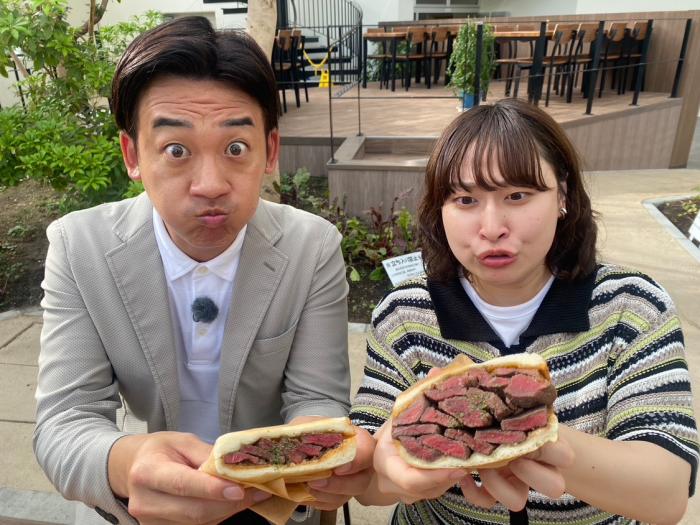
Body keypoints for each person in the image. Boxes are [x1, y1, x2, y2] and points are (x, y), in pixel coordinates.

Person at [33, 16, 373, 525]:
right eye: (176, 150)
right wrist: (127, 465)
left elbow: (316, 397)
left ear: (269, 151)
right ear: (133, 154)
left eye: (236, 148)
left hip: (274, 501)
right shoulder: (79, 247)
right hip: (138, 504)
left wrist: (315, 460)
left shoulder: (312, 247)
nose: (210, 184)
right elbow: (65, 420)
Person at [350, 98, 699, 525]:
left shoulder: (632, 306)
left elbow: (666, 493)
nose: (492, 227)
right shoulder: (404, 315)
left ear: (563, 194)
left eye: (517, 195)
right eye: (465, 199)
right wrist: (391, 467)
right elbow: (365, 480)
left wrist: (520, 432)